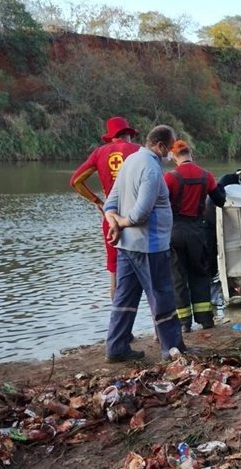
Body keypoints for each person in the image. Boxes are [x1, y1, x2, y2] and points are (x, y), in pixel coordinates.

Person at [103, 125, 187, 362]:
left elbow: (110, 203)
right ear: (160, 146)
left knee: (124, 299)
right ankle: (172, 349)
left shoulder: (130, 161)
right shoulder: (150, 168)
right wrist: (120, 220)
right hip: (149, 247)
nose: (172, 154)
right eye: (170, 148)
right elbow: (141, 213)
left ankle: (116, 347)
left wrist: (115, 223)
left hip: (126, 247)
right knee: (162, 297)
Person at [70, 116, 141, 300]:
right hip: (137, 217)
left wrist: (98, 202)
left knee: (115, 275)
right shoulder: (138, 150)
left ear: (111, 137)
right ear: (127, 135)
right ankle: (157, 327)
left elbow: (76, 181)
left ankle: (119, 326)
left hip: (111, 219)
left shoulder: (99, 153)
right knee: (148, 273)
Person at [165, 140, 226, 333]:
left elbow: (161, 204)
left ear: (175, 157)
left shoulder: (170, 177)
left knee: (178, 278)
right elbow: (220, 201)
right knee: (200, 274)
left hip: (174, 231)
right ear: (191, 154)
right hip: (197, 232)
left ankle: (184, 323)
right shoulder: (206, 175)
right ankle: (206, 319)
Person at [204, 161, 241, 279]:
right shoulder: (228, 180)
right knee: (211, 254)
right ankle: (210, 279)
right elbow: (214, 200)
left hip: (223, 221)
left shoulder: (240, 183)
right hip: (211, 221)